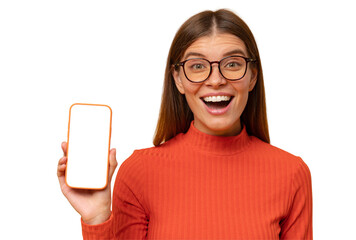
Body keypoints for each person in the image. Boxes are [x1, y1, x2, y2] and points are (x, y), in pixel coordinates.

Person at [57, 9, 312, 239]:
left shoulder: (291, 174)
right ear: (178, 79)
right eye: (198, 66)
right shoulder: (139, 172)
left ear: (252, 77)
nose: (215, 80)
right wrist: (97, 218)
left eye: (232, 64)